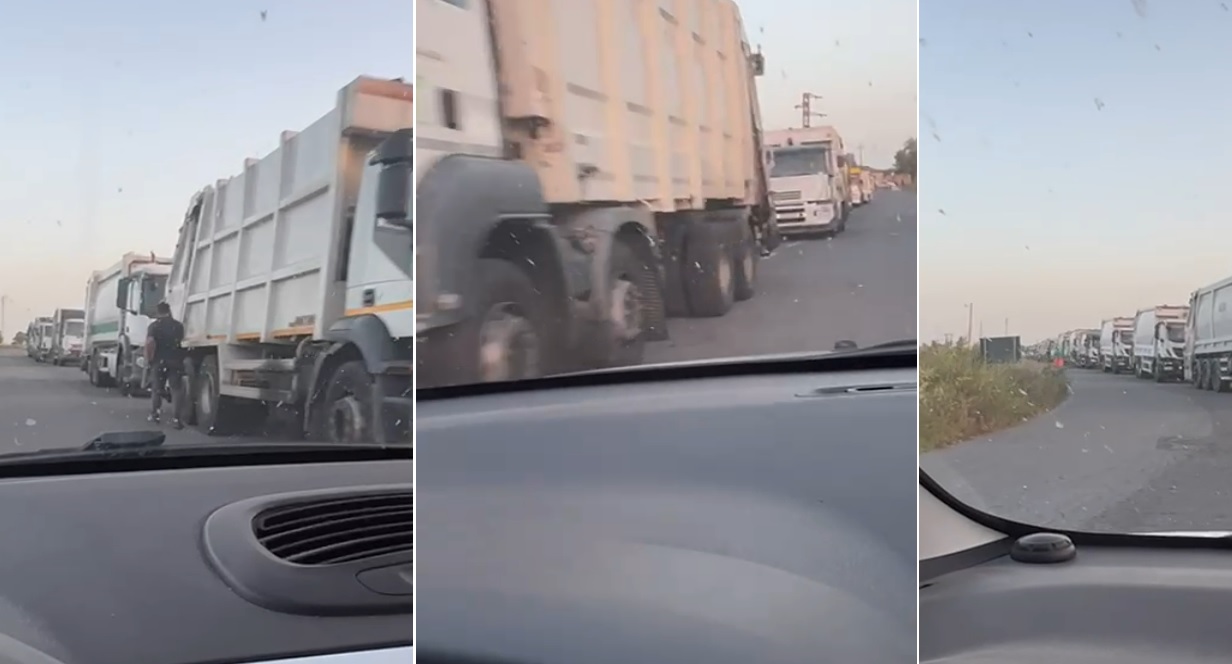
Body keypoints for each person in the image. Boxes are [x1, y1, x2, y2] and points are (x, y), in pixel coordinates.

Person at [145, 302, 186, 429]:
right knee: (176, 390)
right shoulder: (178, 326)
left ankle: (155, 415)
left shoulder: (154, 326)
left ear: (158, 312)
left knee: (157, 389)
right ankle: (176, 419)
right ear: (169, 310)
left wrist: (149, 360)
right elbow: (181, 342)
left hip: (159, 361)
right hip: (175, 361)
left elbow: (150, 343)